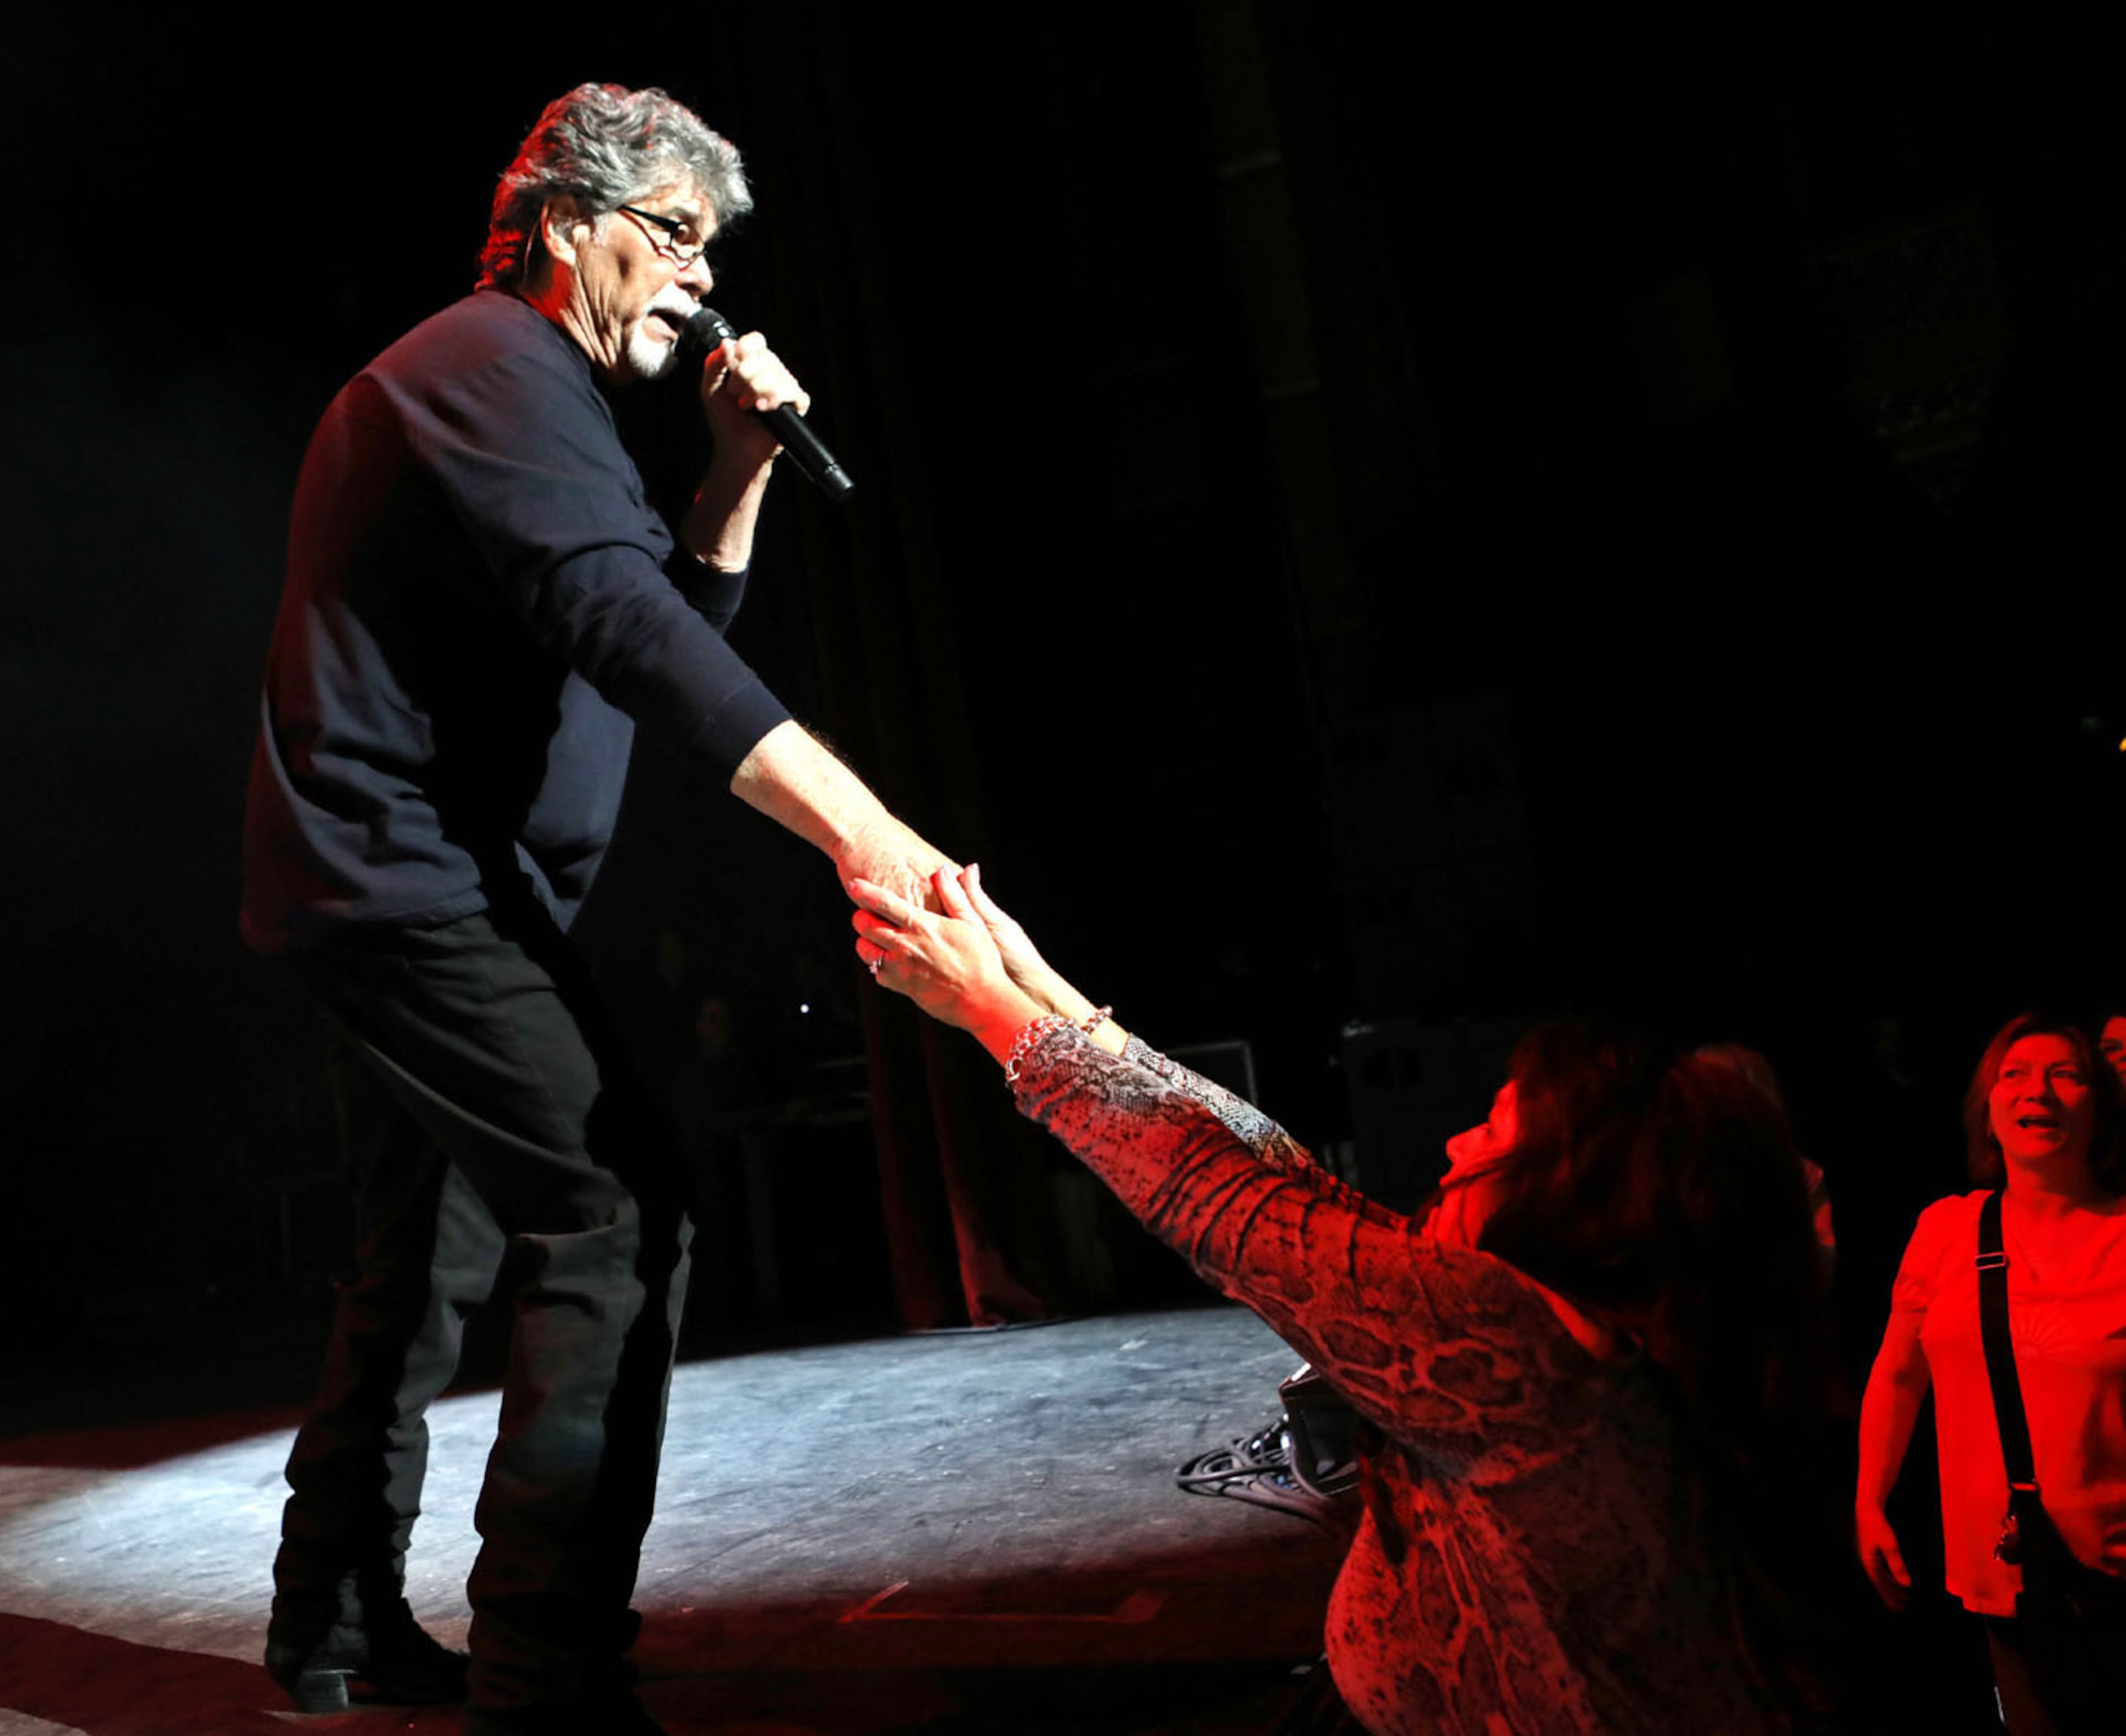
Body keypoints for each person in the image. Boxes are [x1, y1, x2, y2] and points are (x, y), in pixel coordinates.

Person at [241, 83, 950, 1736]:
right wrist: (874, 833)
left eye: (716, 247)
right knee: (619, 1211)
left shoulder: (537, 400)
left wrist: (734, 461)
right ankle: (549, 1673)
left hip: (424, 883)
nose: (704, 280)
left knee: (423, 1250)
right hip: (408, 881)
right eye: (677, 237)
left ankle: (330, 1621)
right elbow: (640, 637)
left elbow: (661, 618)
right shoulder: (491, 367)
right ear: (569, 224)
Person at [849, 866, 1829, 1734]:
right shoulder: (1567, 1333)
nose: (1454, 1148)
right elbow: (1276, 1168)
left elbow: (1224, 1195)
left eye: (1492, 1134)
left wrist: (989, 1012)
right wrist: (1038, 990)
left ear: (1574, 1193)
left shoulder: (1527, 1356)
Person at [1856, 1013, 2126, 1733]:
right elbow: (1898, 1374)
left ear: (2099, 1108)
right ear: (1989, 1111)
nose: (2038, 1089)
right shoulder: (1947, 1228)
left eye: (2065, 1074)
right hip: (2007, 1581)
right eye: (2015, 1074)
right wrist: (1870, 1498)